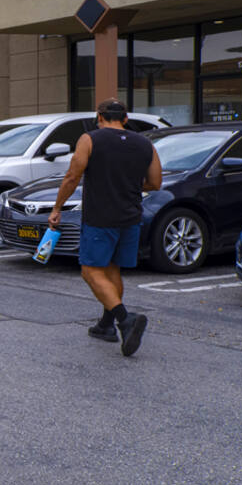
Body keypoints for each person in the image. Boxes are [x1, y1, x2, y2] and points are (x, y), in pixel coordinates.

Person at [48, 99, 162, 357]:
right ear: (124, 118)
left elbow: (72, 176)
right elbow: (155, 182)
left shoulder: (90, 139)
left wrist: (57, 208)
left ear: (99, 116)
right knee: (112, 269)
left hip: (100, 217)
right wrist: (129, 185)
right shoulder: (146, 143)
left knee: (90, 271)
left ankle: (125, 319)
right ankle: (106, 325)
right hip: (130, 217)